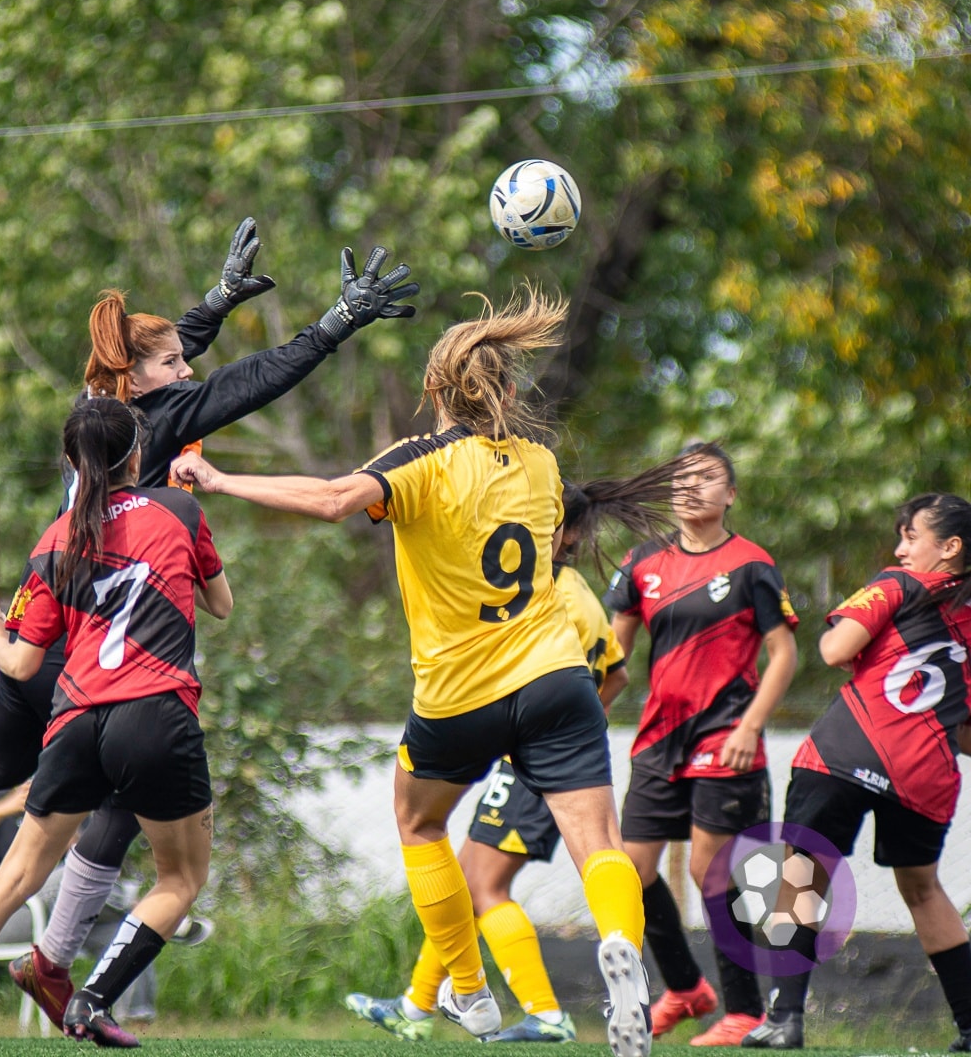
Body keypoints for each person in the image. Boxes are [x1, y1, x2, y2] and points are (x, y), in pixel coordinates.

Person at [0, 226, 418, 1025]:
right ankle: (56, 964)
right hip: (99, 653)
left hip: (47, 618)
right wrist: (340, 319)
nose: (187, 368)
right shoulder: (153, 440)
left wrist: (216, 303)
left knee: (1, 761)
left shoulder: (93, 413)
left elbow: (161, 363)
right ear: (142, 379)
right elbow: (255, 382)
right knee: (129, 791)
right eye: (173, 364)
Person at [168, 286, 655, 1057]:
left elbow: (333, 499)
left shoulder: (421, 459)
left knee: (419, 820)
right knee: (599, 842)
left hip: (460, 692)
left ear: (435, 387)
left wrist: (223, 483)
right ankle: (621, 951)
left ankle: (467, 989)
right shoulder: (541, 462)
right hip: (558, 677)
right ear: (505, 389)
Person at [0, 394, 233, 1047]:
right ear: (137, 453)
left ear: (71, 462)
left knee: (17, 872)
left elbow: (22, 663)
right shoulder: (180, 510)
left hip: (75, 721)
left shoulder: (56, 538)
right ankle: (92, 1000)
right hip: (153, 714)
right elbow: (219, 604)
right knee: (181, 879)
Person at [344, 469, 687, 1043]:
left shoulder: (553, 592)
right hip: (539, 738)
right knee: (474, 876)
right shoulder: (546, 586)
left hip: (539, 748)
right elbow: (608, 671)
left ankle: (543, 1013)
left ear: (564, 532)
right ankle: (419, 1002)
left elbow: (606, 672)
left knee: (480, 883)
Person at [742, 493, 971, 1052]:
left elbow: (832, 647)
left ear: (950, 547)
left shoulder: (898, 583)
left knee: (798, 872)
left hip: (847, 754)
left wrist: (856, 652)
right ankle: (970, 1027)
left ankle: (785, 1018)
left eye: (911, 536)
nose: (900, 548)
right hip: (927, 772)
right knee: (922, 890)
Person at [601, 441, 799, 1047]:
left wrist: (749, 728)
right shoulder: (642, 564)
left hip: (726, 739)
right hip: (657, 741)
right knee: (630, 873)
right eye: (682, 478)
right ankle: (686, 990)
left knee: (711, 873)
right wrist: (579, 716)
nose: (692, 487)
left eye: (708, 478)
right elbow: (612, 658)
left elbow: (784, 654)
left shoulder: (751, 565)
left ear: (729, 495)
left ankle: (741, 1011)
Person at [0, 783, 207, 1023]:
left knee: (129, 931)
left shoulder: (68, 803)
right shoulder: (0, 795)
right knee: (71, 875)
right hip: (6, 917)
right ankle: (159, 912)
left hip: (61, 919)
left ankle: (137, 1023)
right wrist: (7, 807)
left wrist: (67, 832)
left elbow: (94, 861)